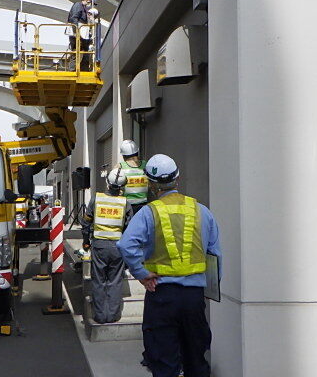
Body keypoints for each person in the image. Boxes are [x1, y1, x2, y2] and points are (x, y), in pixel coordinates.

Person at [117, 154, 222, 377]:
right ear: (178, 179)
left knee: (164, 362)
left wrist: (142, 274)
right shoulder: (201, 211)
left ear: (152, 184)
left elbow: (126, 244)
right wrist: (209, 289)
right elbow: (214, 256)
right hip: (194, 298)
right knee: (196, 359)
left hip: (162, 295)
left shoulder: (148, 212)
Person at [81, 168, 133, 324]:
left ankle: (100, 316)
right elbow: (129, 230)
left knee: (99, 281)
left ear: (108, 183)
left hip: (99, 246)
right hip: (118, 248)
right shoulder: (126, 203)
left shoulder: (96, 200)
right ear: (123, 186)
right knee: (115, 281)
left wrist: (86, 241)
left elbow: (86, 222)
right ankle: (112, 316)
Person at [67, 0, 98, 71]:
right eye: (91, 3)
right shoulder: (78, 5)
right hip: (77, 34)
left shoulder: (84, 9)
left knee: (85, 53)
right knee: (77, 52)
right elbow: (74, 19)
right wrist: (77, 33)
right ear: (87, 0)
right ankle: (72, 72)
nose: (91, 5)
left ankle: (84, 70)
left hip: (82, 34)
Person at [118, 140, 148, 214]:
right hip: (144, 206)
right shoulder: (146, 165)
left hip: (127, 207)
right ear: (137, 152)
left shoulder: (120, 166)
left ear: (123, 155)